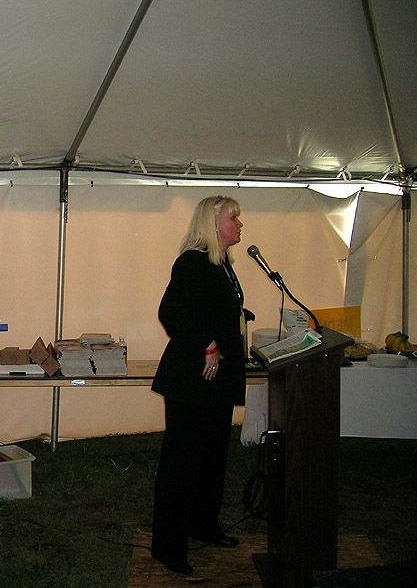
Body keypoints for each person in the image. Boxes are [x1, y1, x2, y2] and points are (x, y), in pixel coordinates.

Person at [150, 195, 246, 575]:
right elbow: (171, 313)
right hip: (191, 380)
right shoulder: (192, 262)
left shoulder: (223, 265)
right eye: (234, 218)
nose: (240, 225)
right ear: (213, 224)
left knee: (212, 458)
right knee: (182, 464)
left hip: (218, 381)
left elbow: (211, 310)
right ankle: (168, 547)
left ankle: (203, 525)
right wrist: (206, 344)